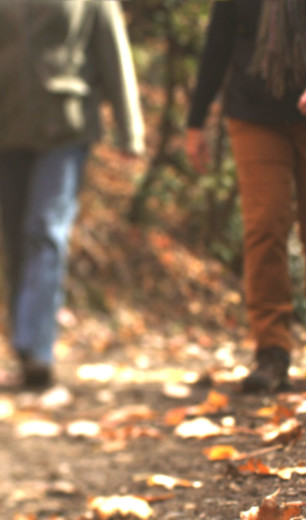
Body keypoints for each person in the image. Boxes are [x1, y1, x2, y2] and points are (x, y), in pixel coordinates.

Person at [185, 0, 306, 392]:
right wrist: (196, 119)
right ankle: (271, 352)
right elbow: (219, 37)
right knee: (264, 226)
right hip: (254, 112)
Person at [0, 0, 145, 388]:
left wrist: (130, 130)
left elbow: (112, 49)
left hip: (66, 124)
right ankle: (24, 345)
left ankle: (38, 349)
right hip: (7, 128)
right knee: (15, 239)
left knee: (46, 228)